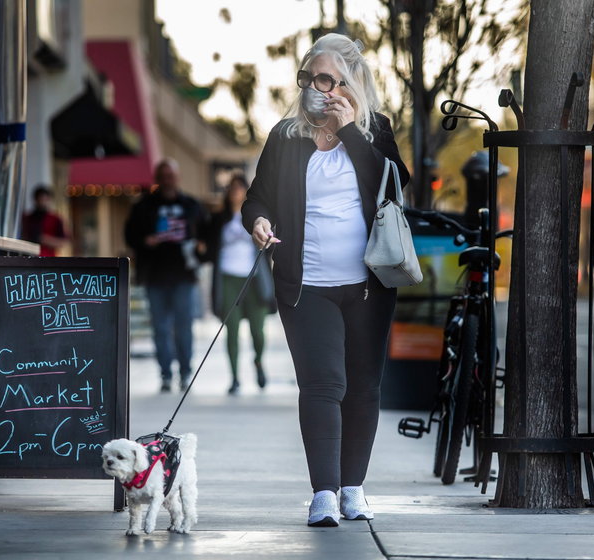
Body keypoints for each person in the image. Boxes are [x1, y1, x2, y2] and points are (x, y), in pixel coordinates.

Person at [241, 33, 409, 527]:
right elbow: (257, 197)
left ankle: (353, 488)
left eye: (326, 78)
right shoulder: (285, 137)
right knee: (322, 385)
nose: (316, 88)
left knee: (362, 386)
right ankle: (323, 494)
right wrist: (258, 222)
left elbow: (394, 184)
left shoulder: (375, 130)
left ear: (350, 81)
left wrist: (351, 129)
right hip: (305, 284)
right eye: (309, 78)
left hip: (368, 285)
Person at [125, 159, 206, 393]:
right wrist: (145, 241)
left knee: (184, 326)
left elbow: (206, 234)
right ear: (157, 179)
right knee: (160, 328)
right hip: (155, 276)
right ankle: (165, 374)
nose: (168, 180)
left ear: (177, 177)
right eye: (163, 176)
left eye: (171, 175)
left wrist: (200, 249)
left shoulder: (191, 205)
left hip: (184, 275)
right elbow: (130, 236)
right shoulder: (143, 206)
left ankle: (185, 371)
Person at [203, 173, 276, 395]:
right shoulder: (219, 218)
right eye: (232, 188)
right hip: (227, 277)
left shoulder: (258, 217)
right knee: (231, 330)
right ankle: (234, 377)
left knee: (258, 330)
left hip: (254, 278)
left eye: (240, 187)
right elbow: (208, 245)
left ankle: (258, 362)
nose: (235, 191)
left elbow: (270, 248)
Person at [21, 185, 69, 256]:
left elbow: (63, 242)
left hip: (48, 258)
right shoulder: (26, 218)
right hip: (29, 256)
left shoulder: (56, 219)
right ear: (35, 200)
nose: (42, 203)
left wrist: (43, 239)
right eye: (40, 200)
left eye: (45, 200)